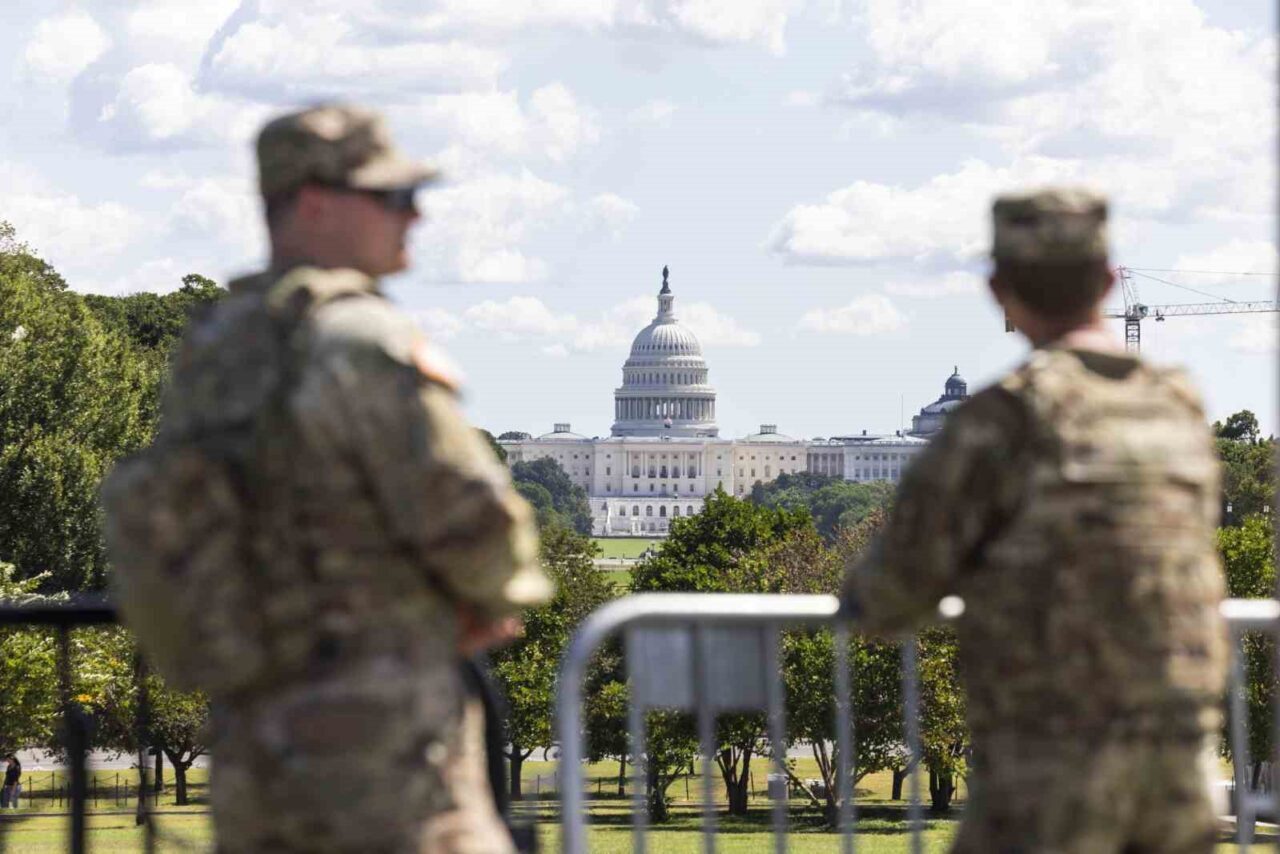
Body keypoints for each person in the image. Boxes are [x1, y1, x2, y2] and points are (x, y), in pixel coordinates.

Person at [116, 104, 552, 853]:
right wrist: (497, 598)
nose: (413, 216)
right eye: (390, 197)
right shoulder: (356, 338)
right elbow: (476, 514)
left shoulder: (220, 346)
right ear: (315, 202)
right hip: (381, 742)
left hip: (256, 738)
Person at [841, 188, 1227, 854]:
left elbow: (890, 595)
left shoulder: (1007, 419)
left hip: (1051, 764)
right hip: (1179, 763)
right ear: (1108, 281)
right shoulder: (1180, 407)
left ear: (999, 291)